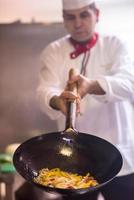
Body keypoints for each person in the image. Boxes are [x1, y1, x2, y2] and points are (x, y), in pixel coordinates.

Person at [37, 0, 134, 199]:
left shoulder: (116, 44)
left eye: (84, 15)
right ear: (64, 20)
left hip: (120, 153)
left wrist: (92, 85)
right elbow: (44, 90)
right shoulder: (53, 51)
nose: (78, 23)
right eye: (71, 17)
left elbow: (129, 82)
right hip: (76, 158)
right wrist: (57, 100)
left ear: (96, 14)